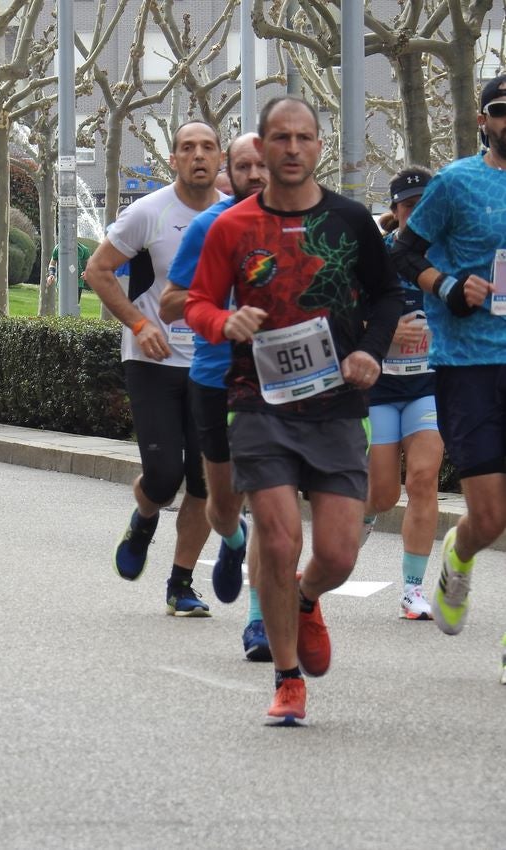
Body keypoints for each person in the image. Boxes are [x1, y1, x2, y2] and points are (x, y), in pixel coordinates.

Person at [185, 96, 402, 724]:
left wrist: (369, 350)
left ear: (318, 146)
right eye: (280, 137)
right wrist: (225, 321)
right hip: (260, 403)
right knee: (278, 541)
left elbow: (387, 295)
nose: (291, 148)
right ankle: (286, 678)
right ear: (263, 145)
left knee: (337, 555)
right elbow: (197, 303)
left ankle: (308, 598)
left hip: (336, 406)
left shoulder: (352, 221)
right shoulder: (233, 227)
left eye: (303, 137)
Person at [85, 120, 224, 617]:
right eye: (187, 148)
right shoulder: (150, 211)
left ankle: (180, 583)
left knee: (206, 481)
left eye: (208, 147)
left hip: (214, 362)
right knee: (164, 477)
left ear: (220, 157)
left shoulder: (235, 214)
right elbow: (97, 271)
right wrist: (140, 324)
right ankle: (145, 517)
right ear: (174, 159)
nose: (198, 156)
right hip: (154, 359)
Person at [389, 73, 506, 648]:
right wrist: (448, 286)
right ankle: (458, 559)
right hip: (469, 365)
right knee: (489, 518)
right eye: (502, 110)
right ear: (484, 120)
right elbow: (404, 250)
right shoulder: (458, 183)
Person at [158, 131, 270, 659]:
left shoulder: (306, 225)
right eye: (244, 166)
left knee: (274, 500)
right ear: (232, 171)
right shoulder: (210, 227)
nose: (255, 174)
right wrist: (222, 315)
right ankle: (231, 538)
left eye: (262, 165)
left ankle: (260, 622)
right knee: (223, 508)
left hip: (279, 383)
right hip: (215, 377)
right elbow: (170, 303)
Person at [360, 167, 444, 621]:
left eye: (425, 205)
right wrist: (387, 332)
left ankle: (413, 591)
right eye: (409, 206)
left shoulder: (450, 254)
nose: (418, 214)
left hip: (427, 386)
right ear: (395, 211)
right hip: (380, 387)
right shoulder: (376, 256)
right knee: (384, 495)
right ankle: (364, 518)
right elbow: (346, 319)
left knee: (424, 478)